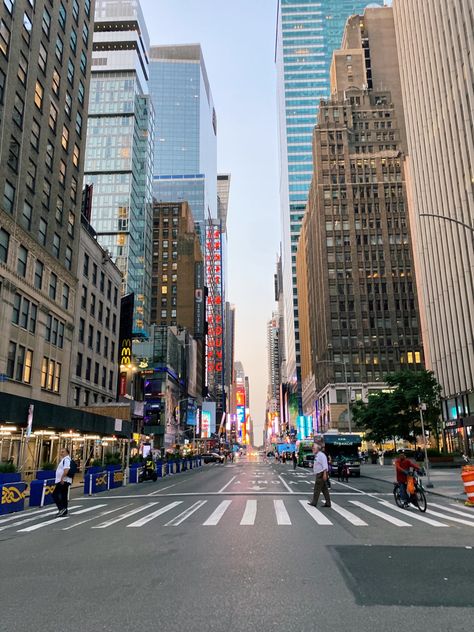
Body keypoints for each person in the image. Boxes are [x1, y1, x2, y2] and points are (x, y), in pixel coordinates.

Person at [308, 443, 331, 508]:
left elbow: (325, 465)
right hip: (319, 473)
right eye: (312, 448)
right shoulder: (317, 455)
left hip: (321, 474)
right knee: (324, 489)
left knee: (316, 489)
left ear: (318, 449)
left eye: (314, 448)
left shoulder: (321, 455)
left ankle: (314, 502)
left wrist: (324, 474)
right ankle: (328, 503)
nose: (313, 449)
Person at [52, 447, 72, 517]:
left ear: (67, 453)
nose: (61, 453)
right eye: (61, 451)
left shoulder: (66, 460)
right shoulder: (65, 459)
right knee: (63, 495)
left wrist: (62, 478)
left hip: (63, 480)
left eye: (63, 452)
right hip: (65, 480)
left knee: (55, 494)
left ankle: (61, 508)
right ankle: (64, 510)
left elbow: (66, 470)